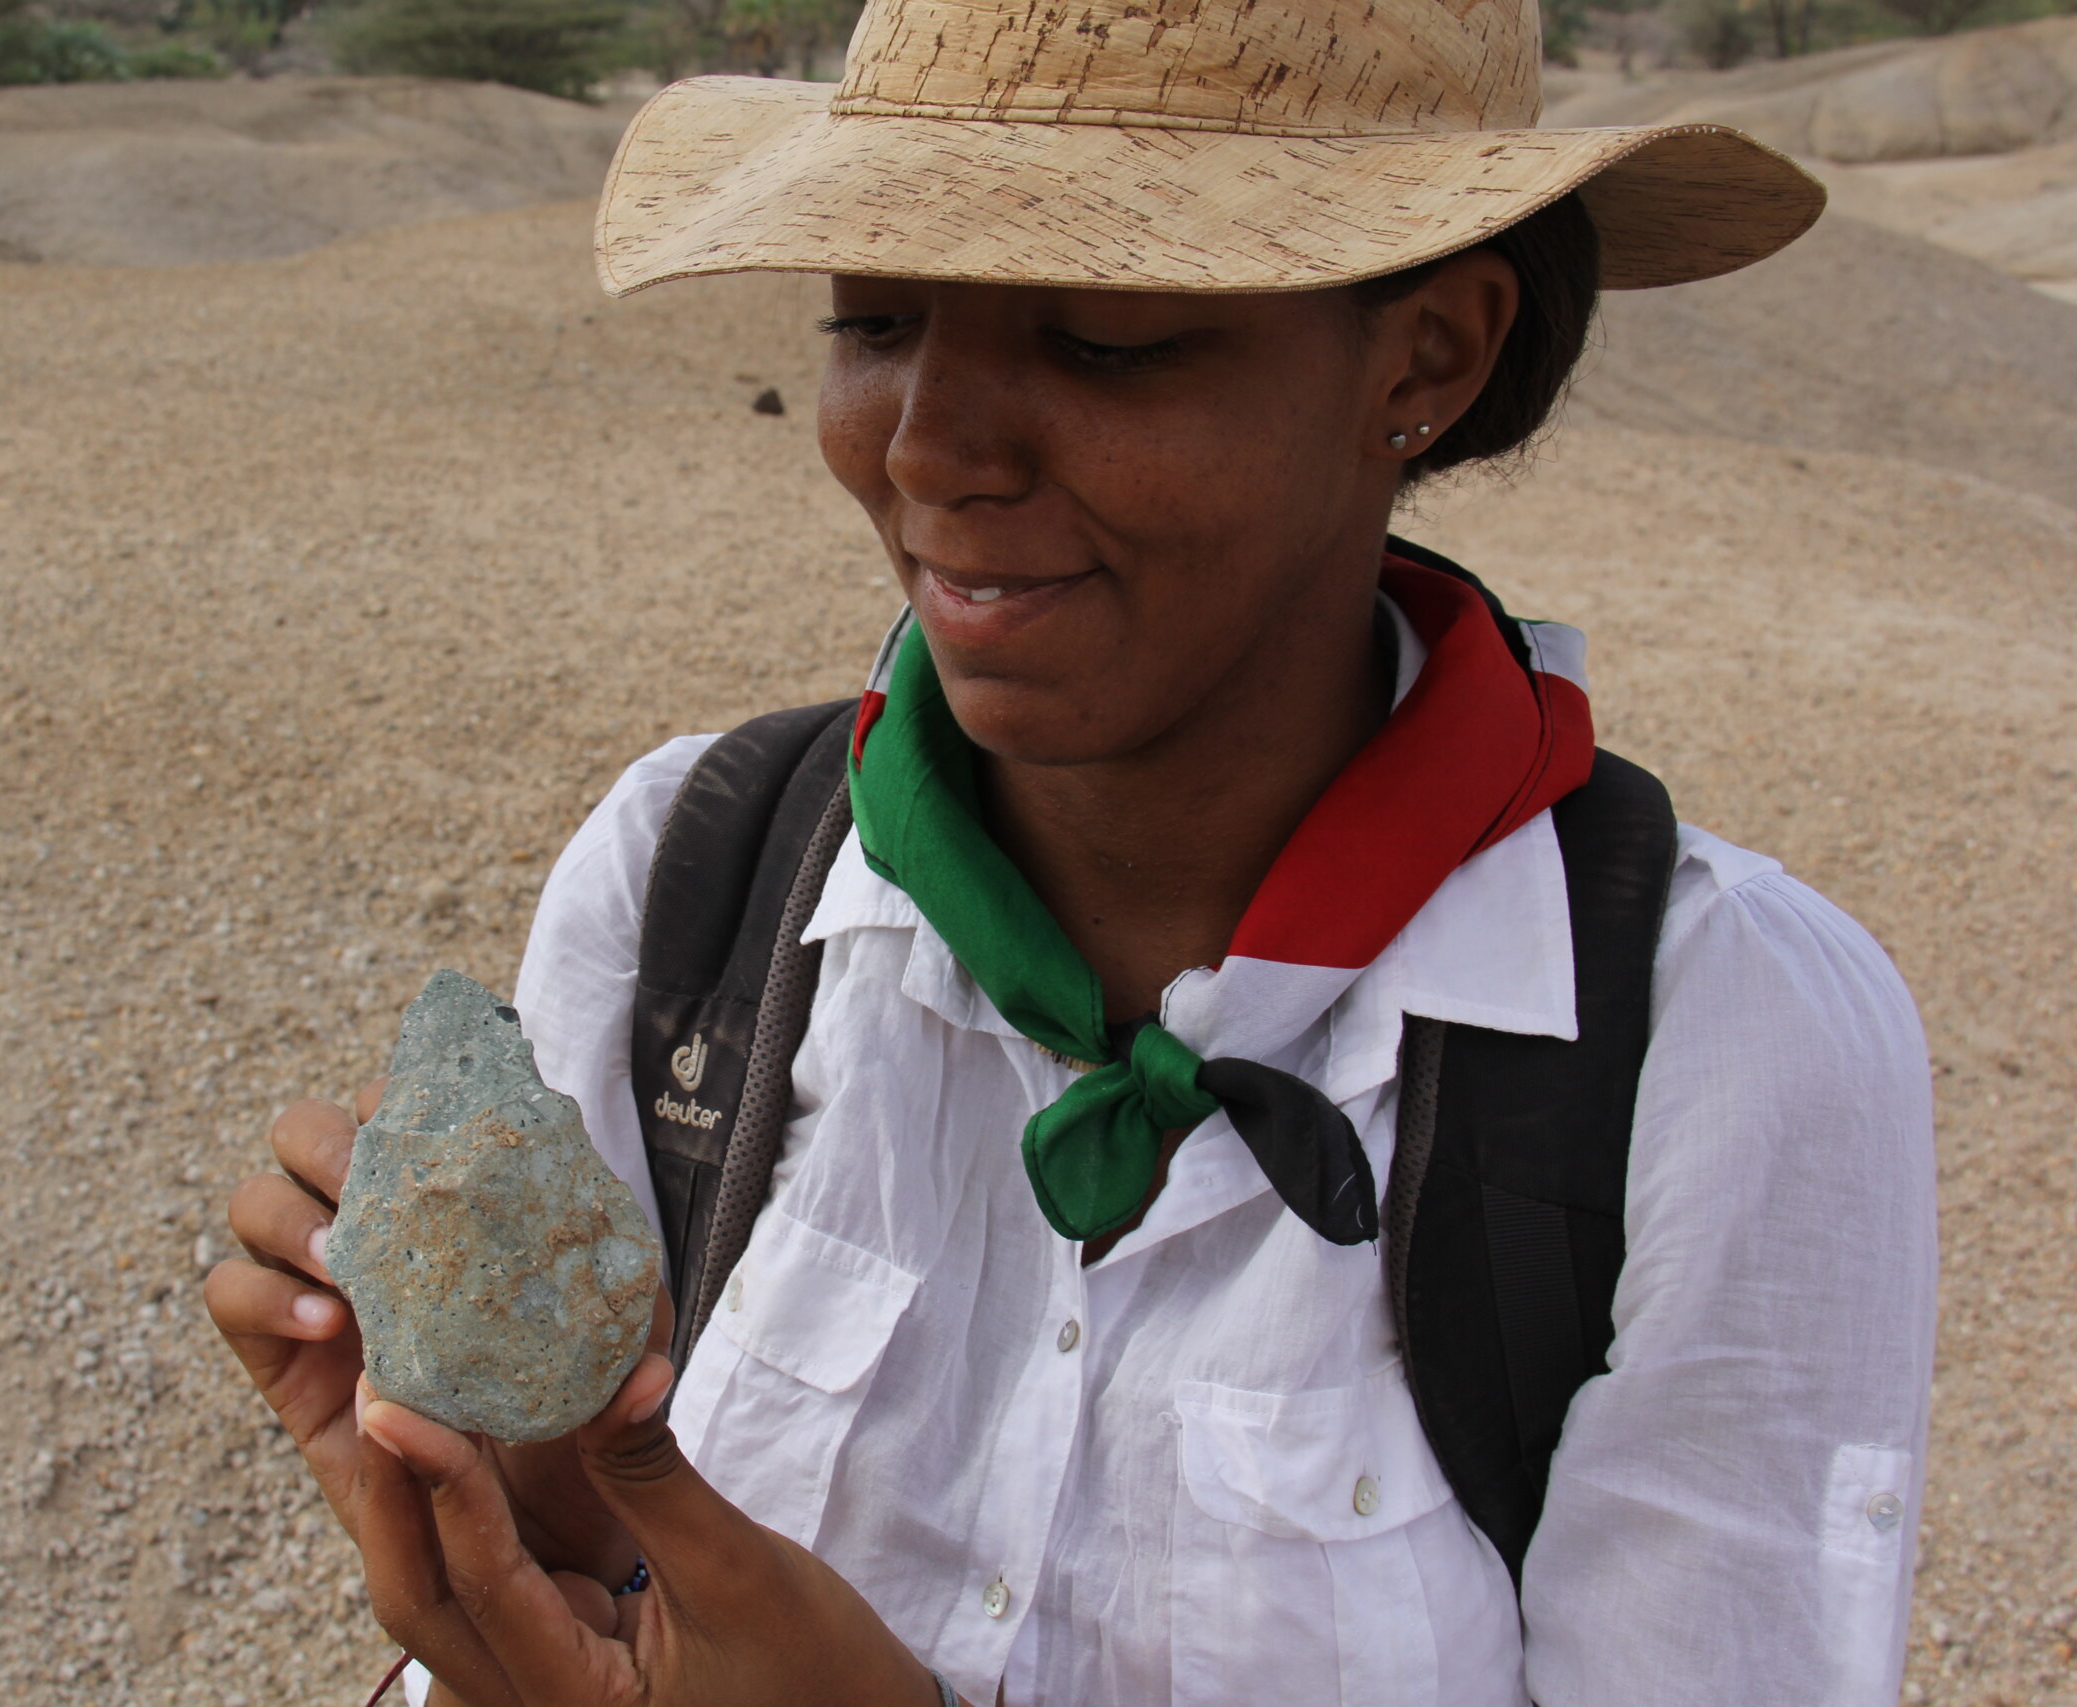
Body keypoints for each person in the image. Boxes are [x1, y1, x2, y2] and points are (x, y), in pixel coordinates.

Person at [204, 0, 1939, 1702]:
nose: (928, 446)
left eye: (1102, 338)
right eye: (877, 318)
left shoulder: (1719, 1038)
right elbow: (599, 1585)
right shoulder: (692, 879)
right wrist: (532, 1559)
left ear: (1425, 358)